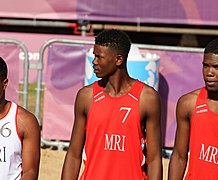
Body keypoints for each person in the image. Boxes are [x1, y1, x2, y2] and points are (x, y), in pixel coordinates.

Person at [61, 29, 162, 180]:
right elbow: (74, 154)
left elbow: (154, 159)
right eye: (94, 56)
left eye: (99, 57)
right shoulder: (86, 96)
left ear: (118, 59)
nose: (94, 61)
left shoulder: (147, 98)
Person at [168, 38, 218, 179]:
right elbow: (179, 156)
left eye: (217, 67)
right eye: (206, 66)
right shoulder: (188, 103)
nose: (209, 72)